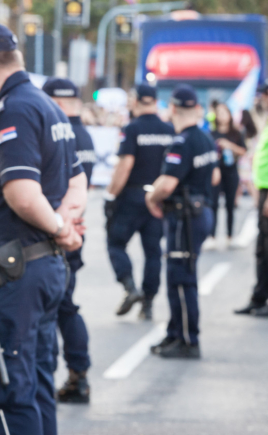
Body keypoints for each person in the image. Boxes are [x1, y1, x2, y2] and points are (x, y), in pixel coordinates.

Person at [0, 24, 87, 435]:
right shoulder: (46, 105)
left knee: (0, 389)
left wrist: (59, 226)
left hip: (11, 274)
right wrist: (65, 224)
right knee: (35, 382)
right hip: (35, 268)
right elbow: (77, 179)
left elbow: (22, 194)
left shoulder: (14, 110)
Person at [146, 85, 218, 359]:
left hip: (184, 216)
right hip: (200, 211)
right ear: (197, 108)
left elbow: (167, 184)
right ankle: (176, 332)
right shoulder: (205, 138)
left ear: (173, 108)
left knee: (180, 278)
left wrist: (151, 198)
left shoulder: (182, 142)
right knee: (180, 275)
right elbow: (214, 177)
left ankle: (188, 338)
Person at [42, 77, 95, 405]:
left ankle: (73, 374)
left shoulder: (58, 133)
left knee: (55, 307)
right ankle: (78, 373)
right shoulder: (84, 134)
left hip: (56, 231)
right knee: (65, 303)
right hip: (75, 227)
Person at [103, 84, 175, 320]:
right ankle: (148, 303)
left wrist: (111, 195)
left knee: (115, 243)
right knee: (153, 252)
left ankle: (129, 287)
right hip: (159, 197)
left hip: (132, 197)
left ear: (135, 101)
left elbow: (125, 166)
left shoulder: (132, 128)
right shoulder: (169, 129)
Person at [235, 85, 268, 316]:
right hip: (263, 189)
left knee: (265, 250)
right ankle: (258, 297)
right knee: (262, 250)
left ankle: (260, 298)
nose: (261, 99)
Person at [203, 103, 246, 249]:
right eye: (219, 113)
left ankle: (230, 236)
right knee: (213, 204)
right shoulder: (211, 134)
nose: (222, 116)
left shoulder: (236, 133)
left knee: (230, 205)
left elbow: (243, 151)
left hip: (231, 171)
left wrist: (229, 146)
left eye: (224, 112)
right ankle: (212, 236)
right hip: (216, 172)